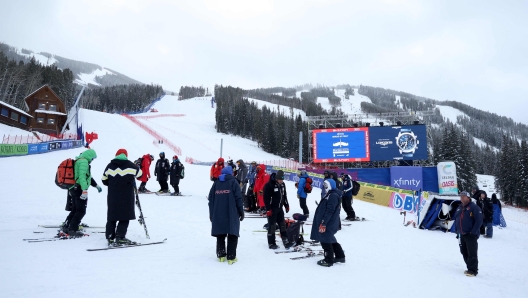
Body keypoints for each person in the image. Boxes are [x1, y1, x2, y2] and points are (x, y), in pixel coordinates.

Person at [101, 149, 142, 245]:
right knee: (125, 216)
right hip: (126, 195)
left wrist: (113, 184)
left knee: (112, 216)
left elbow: (103, 180)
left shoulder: (110, 166)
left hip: (113, 195)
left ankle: (110, 237)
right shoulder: (130, 165)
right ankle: (120, 236)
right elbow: (140, 174)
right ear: (126, 155)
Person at [208, 167, 244, 264]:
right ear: (231, 173)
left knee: (220, 233)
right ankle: (231, 257)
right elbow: (238, 198)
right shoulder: (233, 182)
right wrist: (241, 211)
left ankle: (221, 255)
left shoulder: (216, 183)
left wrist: (211, 213)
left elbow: (210, 199)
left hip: (218, 213)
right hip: (231, 213)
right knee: (232, 233)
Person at [64, 149, 102, 237]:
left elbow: (88, 177)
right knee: (81, 211)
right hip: (79, 189)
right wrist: (84, 190)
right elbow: (82, 177)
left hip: (73, 188)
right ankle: (72, 229)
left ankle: (67, 226)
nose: (92, 160)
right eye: (92, 158)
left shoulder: (79, 161)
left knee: (75, 209)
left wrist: (96, 186)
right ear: (89, 156)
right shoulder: (84, 162)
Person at [310, 179, 345, 267]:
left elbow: (330, 210)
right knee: (329, 238)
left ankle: (328, 260)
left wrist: (324, 222)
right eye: (324, 185)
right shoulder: (330, 194)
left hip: (328, 222)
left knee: (325, 239)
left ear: (331, 185)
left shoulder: (332, 195)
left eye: (326, 185)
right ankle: (340, 256)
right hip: (328, 221)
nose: (325, 187)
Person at [454, 191, 483, 277]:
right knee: (463, 251)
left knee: (472, 253)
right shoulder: (460, 207)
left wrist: (473, 232)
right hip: (462, 234)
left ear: (468, 198)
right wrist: (457, 231)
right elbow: (457, 220)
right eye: (461, 196)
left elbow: (479, 221)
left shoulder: (474, 208)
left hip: (470, 234)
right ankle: (469, 267)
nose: (462, 198)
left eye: (464, 196)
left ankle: (473, 270)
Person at [263, 170, 292, 249]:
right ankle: (271, 243)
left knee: (282, 225)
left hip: (280, 209)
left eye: (282, 179)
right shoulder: (269, 185)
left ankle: (285, 241)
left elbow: (284, 196)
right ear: (276, 178)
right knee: (272, 226)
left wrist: (286, 205)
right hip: (272, 209)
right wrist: (268, 209)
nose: (281, 181)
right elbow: (266, 198)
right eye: (280, 179)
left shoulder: (282, 185)